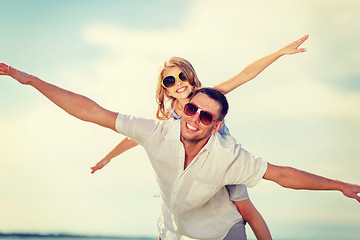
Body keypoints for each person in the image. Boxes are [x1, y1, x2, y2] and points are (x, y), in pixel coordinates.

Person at [1, 66, 359, 240]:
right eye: (191, 110)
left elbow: (282, 175)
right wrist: (31, 81)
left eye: (205, 116)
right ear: (182, 107)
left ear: (216, 125)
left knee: (244, 211)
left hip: (222, 232)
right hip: (176, 230)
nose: (194, 120)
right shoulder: (156, 132)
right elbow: (92, 111)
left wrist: (340, 185)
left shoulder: (229, 154)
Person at [88, 35, 309, 239]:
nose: (178, 83)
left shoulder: (206, 96)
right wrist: (109, 157)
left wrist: (279, 53)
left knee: (245, 210)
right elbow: (134, 136)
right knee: (171, 210)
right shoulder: (169, 114)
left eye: (182, 76)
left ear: (191, 76)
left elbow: (245, 74)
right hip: (195, 169)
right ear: (165, 90)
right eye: (170, 81)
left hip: (222, 162)